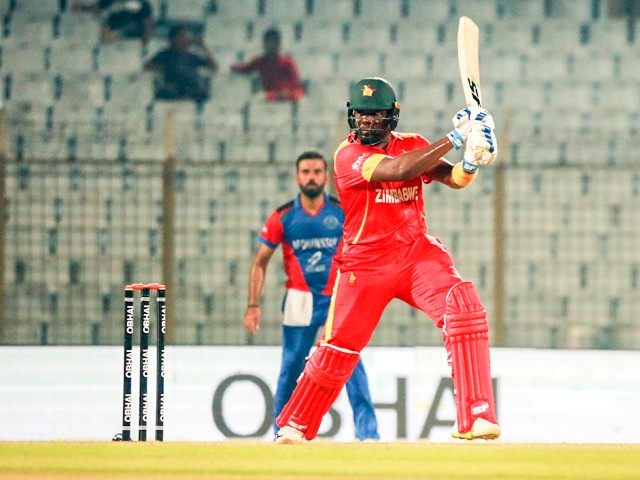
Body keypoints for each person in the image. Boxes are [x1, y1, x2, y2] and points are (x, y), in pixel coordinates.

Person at [275, 77, 500, 444]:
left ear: (391, 116)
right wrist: (458, 136)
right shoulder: (347, 155)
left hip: (414, 253)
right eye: (361, 115)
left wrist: (471, 160)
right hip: (365, 264)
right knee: (338, 349)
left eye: (376, 114)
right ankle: (296, 426)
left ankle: (477, 415)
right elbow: (397, 170)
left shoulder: (413, 144)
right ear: (352, 116)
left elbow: (453, 178)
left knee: (463, 305)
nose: (367, 121)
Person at [244, 150, 379, 441]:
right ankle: (281, 432)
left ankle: (368, 435)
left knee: (351, 365)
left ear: (326, 176)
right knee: (291, 367)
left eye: (317, 172)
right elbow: (259, 261)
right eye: (306, 172)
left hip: (337, 299)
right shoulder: (284, 216)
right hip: (300, 299)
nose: (312, 177)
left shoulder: (342, 211)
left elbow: (366, 247)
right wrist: (253, 304)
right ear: (297, 177)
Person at [144, 25, 218, 104]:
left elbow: (213, 66)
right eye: (182, 37)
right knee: (166, 91)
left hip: (192, 88)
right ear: (174, 39)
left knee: (203, 93)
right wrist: (164, 68)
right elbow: (147, 65)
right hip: (173, 87)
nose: (185, 39)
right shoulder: (165, 53)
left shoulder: (192, 55)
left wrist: (203, 47)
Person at [231, 28, 304, 102]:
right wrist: (233, 67)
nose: (271, 46)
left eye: (274, 43)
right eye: (268, 43)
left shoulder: (288, 63)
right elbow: (245, 69)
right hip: (266, 99)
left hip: (285, 99)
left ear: (279, 44)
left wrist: (289, 95)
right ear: (264, 44)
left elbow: (297, 87)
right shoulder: (259, 62)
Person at [72, 0, 153, 44]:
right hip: (111, 33)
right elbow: (96, 8)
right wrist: (82, 7)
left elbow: (147, 23)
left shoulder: (142, 3)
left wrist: (147, 37)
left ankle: (112, 35)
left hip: (130, 37)